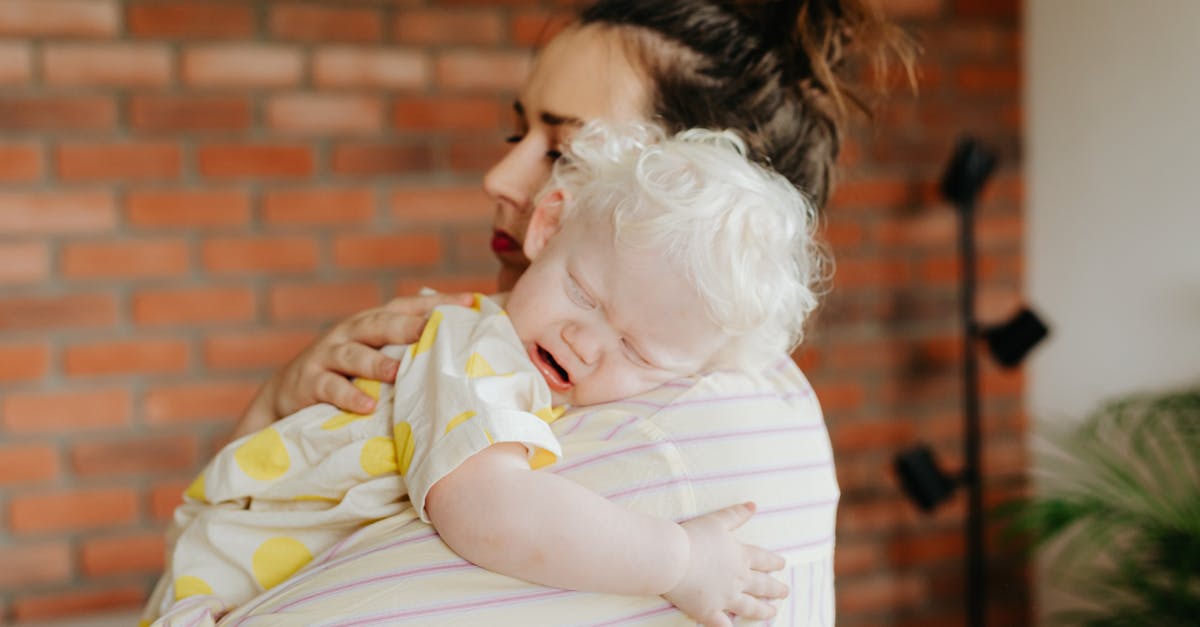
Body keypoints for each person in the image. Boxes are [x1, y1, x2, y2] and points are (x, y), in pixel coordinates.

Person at [214, 1, 915, 625]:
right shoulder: (478, 341)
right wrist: (278, 401)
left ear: (693, 174)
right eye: (515, 134)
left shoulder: (699, 420)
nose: (498, 178)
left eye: (561, 148)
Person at [145, 123, 822, 627]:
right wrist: (679, 560)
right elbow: (486, 509)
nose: (584, 342)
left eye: (637, 352)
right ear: (548, 225)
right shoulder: (475, 345)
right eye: (583, 293)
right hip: (215, 591)